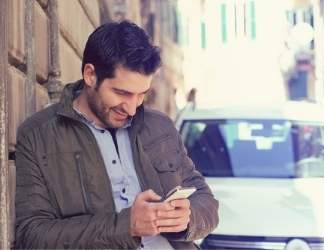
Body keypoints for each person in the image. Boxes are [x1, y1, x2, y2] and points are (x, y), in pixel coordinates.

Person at [15, 20, 218, 249]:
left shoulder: (160, 126)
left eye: (141, 94)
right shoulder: (38, 135)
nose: (132, 109)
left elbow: (206, 202)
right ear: (91, 75)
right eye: (122, 93)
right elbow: (31, 236)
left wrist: (186, 219)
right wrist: (127, 226)